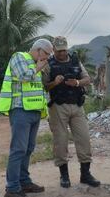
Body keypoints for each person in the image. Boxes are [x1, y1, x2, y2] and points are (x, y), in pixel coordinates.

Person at [0, 39, 53, 197]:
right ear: (39, 50)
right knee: (18, 150)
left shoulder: (37, 64)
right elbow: (24, 77)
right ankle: (12, 190)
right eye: (47, 54)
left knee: (28, 148)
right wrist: (38, 67)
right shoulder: (19, 57)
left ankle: (24, 182)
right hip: (20, 110)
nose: (47, 58)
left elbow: (38, 86)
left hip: (33, 111)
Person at [42, 36, 100, 188]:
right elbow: (44, 86)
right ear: (54, 49)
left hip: (77, 105)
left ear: (67, 48)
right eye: (59, 50)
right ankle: (64, 176)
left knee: (84, 139)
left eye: (64, 50)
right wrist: (55, 82)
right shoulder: (49, 64)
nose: (62, 53)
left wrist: (77, 82)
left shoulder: (75, 61)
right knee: (60, 141)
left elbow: (88, 79)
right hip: (58, 107)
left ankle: (85, 175)